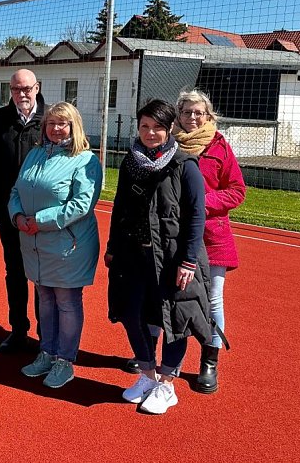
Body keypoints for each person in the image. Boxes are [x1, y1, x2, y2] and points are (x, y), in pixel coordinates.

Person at [105, 99, 214, 414]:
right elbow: (120, 207)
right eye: (145, 126)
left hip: (171, 258)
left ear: (169, 130)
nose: (150, 133)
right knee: (131, 314)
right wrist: (112, 246)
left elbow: (196, 217)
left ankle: (167, 384)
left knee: (175, 320)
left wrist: (189, 261)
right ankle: (147, 374)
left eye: (157, 127)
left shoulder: (185, 165)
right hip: (133, 256)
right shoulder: (131, 162)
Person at [8, 102, 102, 388]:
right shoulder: (35, 154)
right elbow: (16, 190)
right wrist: (17, 215)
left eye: (63, 124)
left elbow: (82, 205)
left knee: (66, 302)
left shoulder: (86, 159)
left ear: (74, 127)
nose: (56, 129)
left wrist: (40, 220)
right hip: (35, 244)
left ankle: (65, 361)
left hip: (67, 246)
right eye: (51, 123)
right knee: (45, 300)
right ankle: (46, 352)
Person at [174, 89, 244, 393]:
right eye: (187, 112)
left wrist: (201, 202)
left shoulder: (220, 146)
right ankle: (170, 360)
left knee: (213, 301)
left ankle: (209, 362)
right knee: (173, 295)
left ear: (208, 115)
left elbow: (237, 191)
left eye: (198, 113)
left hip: (212, 238)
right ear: (178, 114)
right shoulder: (167, 143)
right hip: (174, 235)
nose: (192, 118)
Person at [0, 69, 45, 352]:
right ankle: (18, 329)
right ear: (10, 90)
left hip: (43, 215)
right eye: (17, 90)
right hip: (8, 210)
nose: (23, 94)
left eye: (27, 89)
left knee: (44, 277)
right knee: (14, 272)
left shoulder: (52, 119)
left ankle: (47, 336)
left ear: (37, 88)